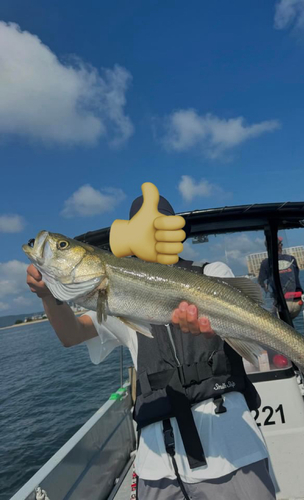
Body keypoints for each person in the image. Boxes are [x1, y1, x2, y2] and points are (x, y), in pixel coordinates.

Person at [26, 195, 276, 500]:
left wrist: (211, 327)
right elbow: (72, 333)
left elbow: (244, 326)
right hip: (157, 465)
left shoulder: (211, 274)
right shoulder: (113, 293)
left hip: (231, 448)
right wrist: (47, 295)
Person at [258, 237, 303, 319]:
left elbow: (261, 281)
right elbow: (296, 274)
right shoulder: (292, 259)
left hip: (282, 304)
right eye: (281, 244)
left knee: (270, 321)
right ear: (279, 246)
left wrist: (268, 291)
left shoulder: (266, 263)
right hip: (298, 302)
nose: (282, 246)